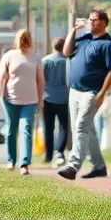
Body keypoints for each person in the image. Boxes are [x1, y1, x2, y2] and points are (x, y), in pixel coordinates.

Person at [58, 10, 111, 180]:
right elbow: (66, 51)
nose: (91, 22)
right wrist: (73, 31)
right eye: (90, 20)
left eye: (95, 20)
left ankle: (73, 166)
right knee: (87, 130)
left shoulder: (108, 45)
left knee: (80, 128)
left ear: (104, 23)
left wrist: (101, 94)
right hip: (75, 91)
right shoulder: (84, 39)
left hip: (91, 93)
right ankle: (99, 166)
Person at [0, 30, 45, 175]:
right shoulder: (9, 56)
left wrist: (40, 99)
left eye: (27, 38)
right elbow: (1, 78)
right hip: (10, 100)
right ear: (17, 40)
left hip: (30, 101)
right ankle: (11, 160)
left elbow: (40, 80)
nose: (25, 41)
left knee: (26, 129)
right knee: (11, 130)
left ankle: (24, 163)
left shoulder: (35, 58)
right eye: (22, 38)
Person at [41, 37, 71, 166]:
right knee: (63, 126)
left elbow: (41, 79)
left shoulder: (46, 61)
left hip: (47, 98)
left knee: (48, 127)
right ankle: (59, 151)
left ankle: (48, 155)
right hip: (63, 98)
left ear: (53, 46)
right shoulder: (68, 62)